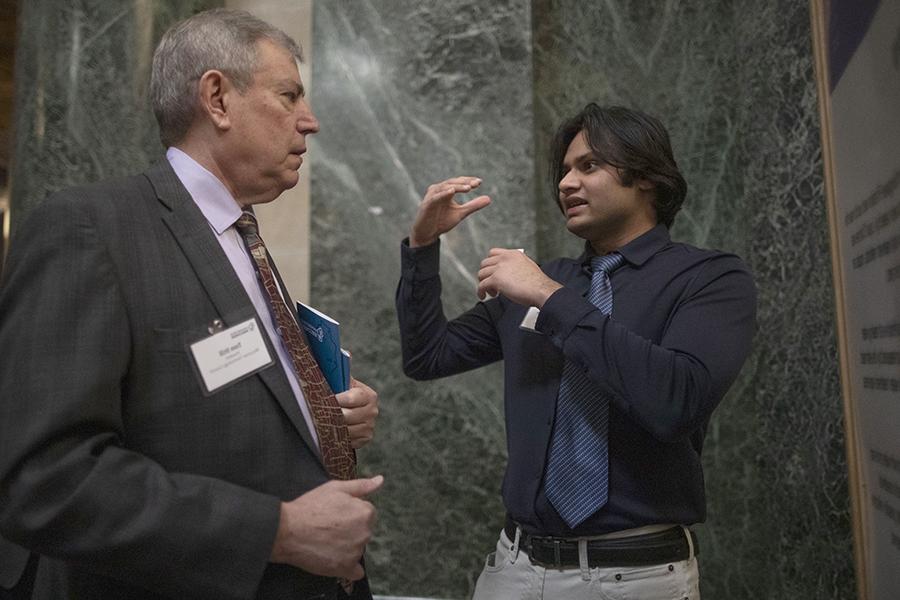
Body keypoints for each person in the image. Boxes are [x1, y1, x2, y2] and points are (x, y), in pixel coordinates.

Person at [0, 9, 382, 600]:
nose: (311, 122)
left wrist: (320, 415)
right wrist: (275, 532)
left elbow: (213, 399)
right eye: (289, 96)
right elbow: (47, 480)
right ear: (218, 99)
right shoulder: (90, 229)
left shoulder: (242, 237)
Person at [396, 104, 757, 599]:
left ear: (647, 176)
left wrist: (549, 298)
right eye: (563, 171)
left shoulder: (708, 278)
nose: (566, 183)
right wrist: (422, 247)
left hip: (637, 577)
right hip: (514, 568)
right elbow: (427, 357)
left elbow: (677, 403)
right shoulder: (547, 280)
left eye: (587, 166)